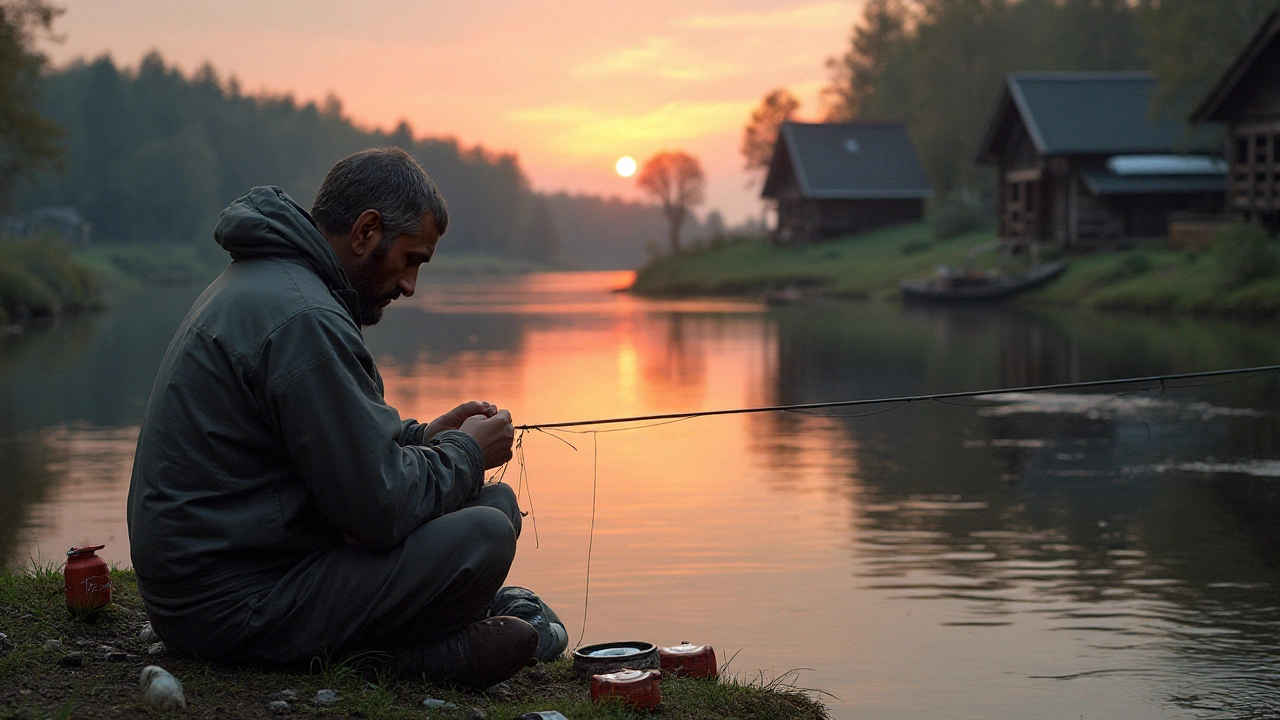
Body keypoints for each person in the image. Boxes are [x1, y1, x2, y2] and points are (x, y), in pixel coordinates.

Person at [126, 147, 566, 689]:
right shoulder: (304, 317)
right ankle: (400, 658)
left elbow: (333, 446)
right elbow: (377, 509)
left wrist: (425, 437)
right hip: (231, 604)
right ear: (365, 233)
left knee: (492, 502)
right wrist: (469, 452)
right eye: (410, 260)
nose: (409, 285)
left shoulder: (278, 285)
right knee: (484, 533)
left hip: (233, 576)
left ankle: (418, 636)